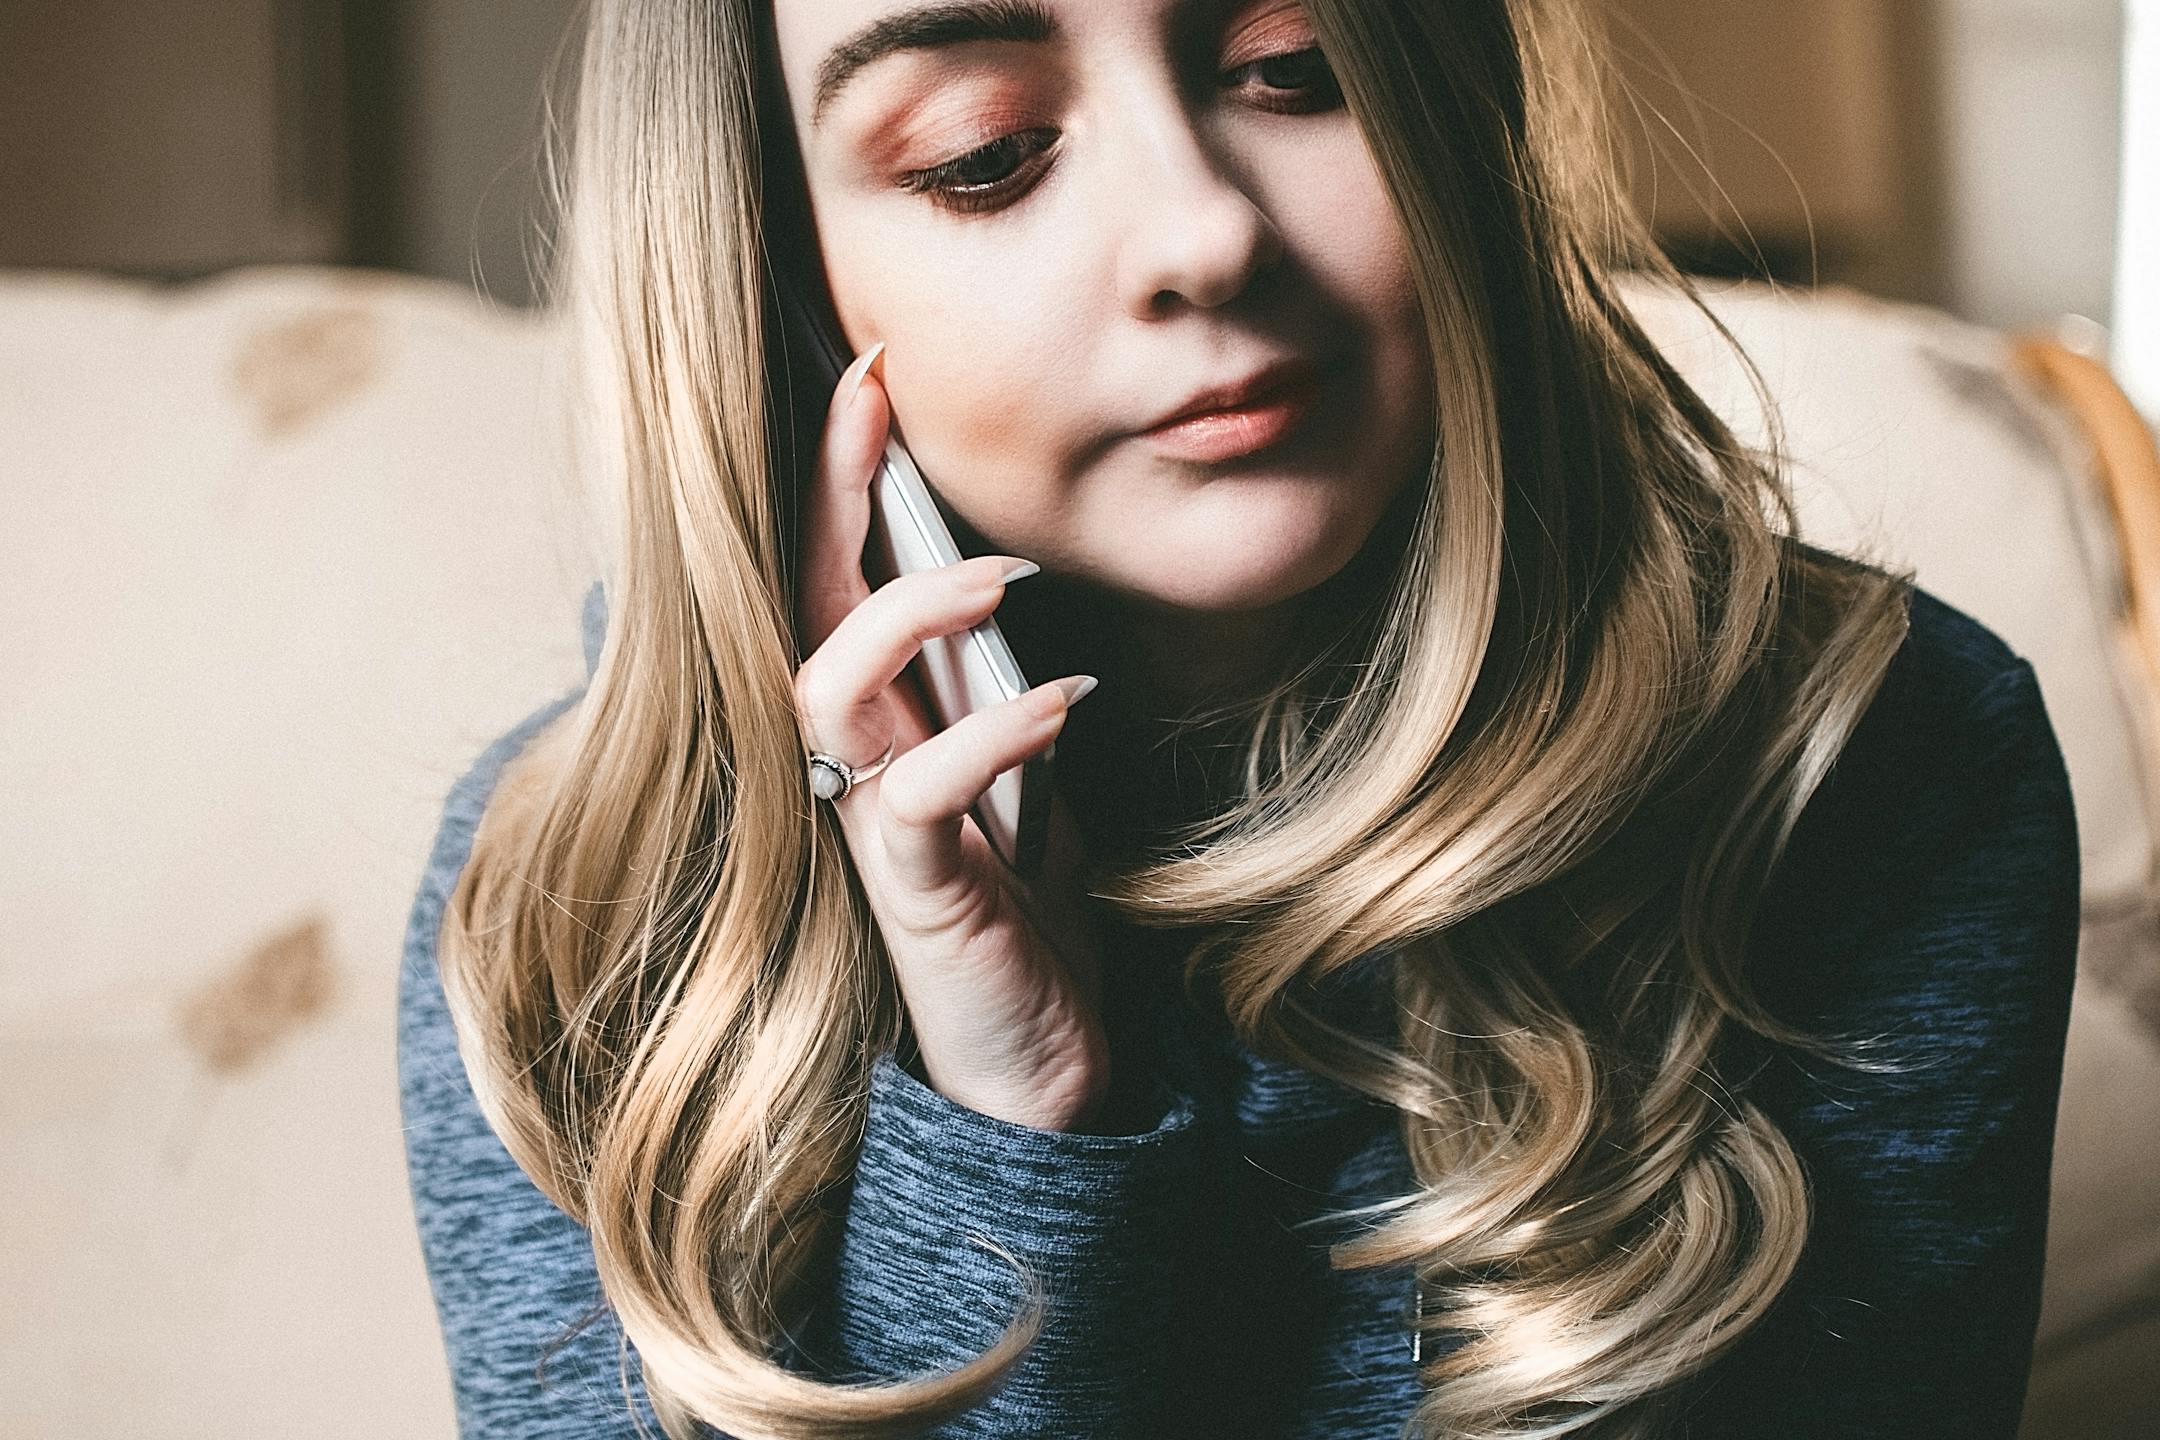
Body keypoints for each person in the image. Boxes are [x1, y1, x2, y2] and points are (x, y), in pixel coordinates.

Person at [396, 1, 2083, 1436]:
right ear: (779, 265)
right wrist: (1017, 1126)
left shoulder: (1868, 755)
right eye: (986, 152)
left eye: (1290, 63)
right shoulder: (580, 907)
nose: (1206, 232)